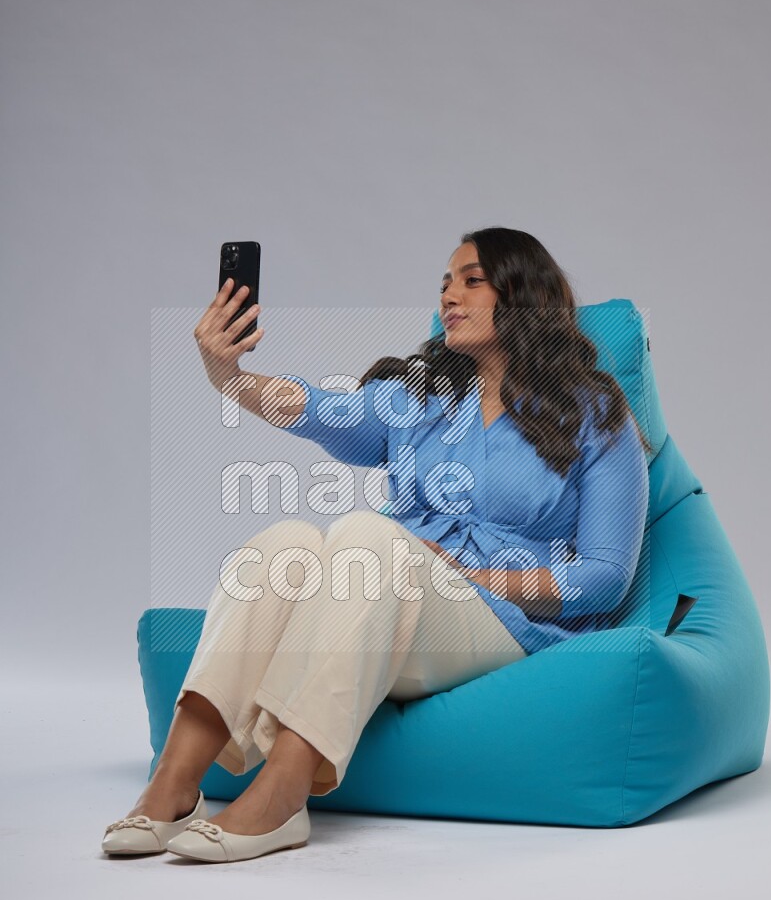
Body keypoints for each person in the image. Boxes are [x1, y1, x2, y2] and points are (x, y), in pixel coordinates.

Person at [101, 227, 652, 863]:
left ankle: (281, 797)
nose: (450, 294)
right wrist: (229, 376)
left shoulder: (597, 416)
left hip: (505, 623)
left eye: (472, 280)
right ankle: (172, 786)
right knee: (283, 546)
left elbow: (606, 575)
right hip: (389, 599)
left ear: (525, 296)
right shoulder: (423, 397)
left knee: (369, 537)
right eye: (445, 281)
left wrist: (471, 576)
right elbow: (314, 407)